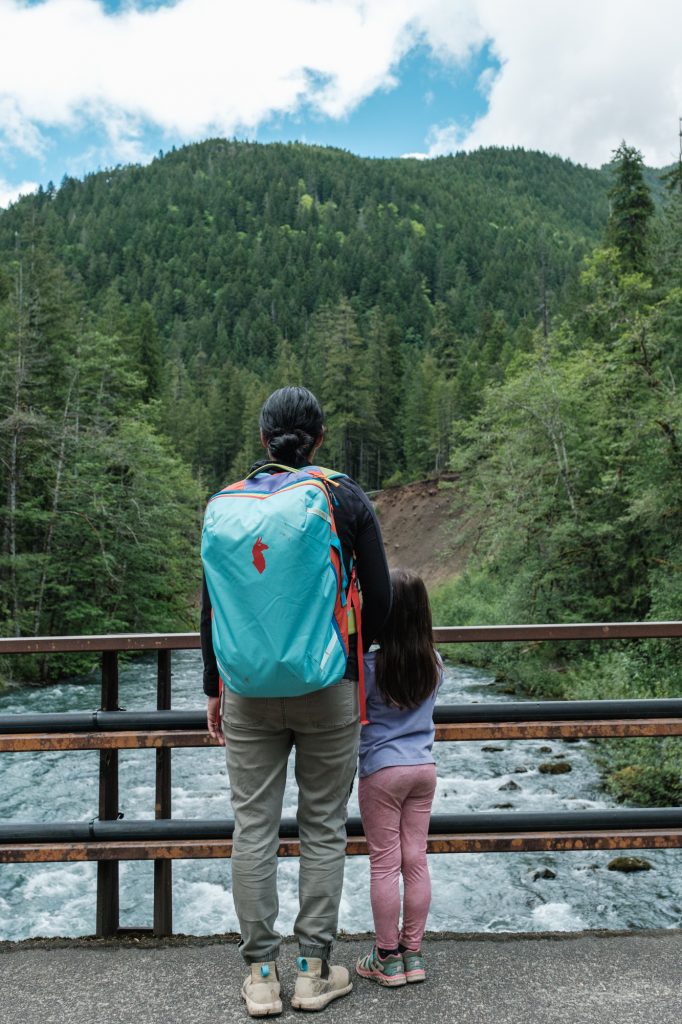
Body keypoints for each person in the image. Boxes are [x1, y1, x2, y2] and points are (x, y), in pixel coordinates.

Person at [201, 385, 391, 1016]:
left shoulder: (226, 504)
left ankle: (260, 977)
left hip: (247, 693)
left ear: (263, 440)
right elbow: (382, 602)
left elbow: (211, 609)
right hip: (328, 685)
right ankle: (312, 972)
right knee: (323, 827)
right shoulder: (342, 495)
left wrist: (212, 687)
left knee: (251, 828)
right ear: (318, 438)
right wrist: (352, 657)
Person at [355, 568, 442, 987]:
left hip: (382, 772)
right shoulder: (434, 664)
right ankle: (414, 953)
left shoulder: (368, 667)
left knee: (384, 864)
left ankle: (386, 958)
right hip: (424, 771)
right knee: (416, 860)